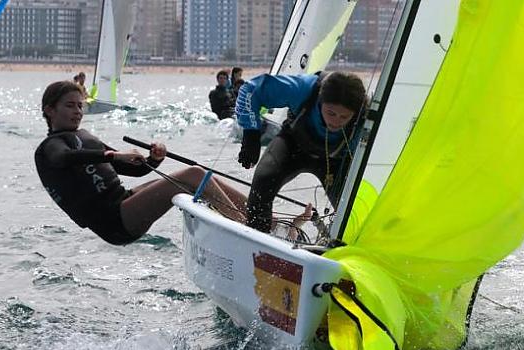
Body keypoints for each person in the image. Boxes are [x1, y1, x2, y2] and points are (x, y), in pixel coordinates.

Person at [35, 81, 247, 245]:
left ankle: (262, 217)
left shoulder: (83, 136)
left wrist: (153, 159)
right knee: (194, 175)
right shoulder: (50, 147)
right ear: (50, 110)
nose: (77, 111)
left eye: (80, 106)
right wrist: (113, 155)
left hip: (124, 201)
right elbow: (63, 158)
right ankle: (245, 228)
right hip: (113, 219)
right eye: (70, 106)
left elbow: (134, 170)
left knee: (201, 177)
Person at [235, 71, 367, 233]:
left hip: (336, 160)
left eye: (344, 117)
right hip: (293, 147)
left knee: (355, 213)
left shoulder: (367, 115)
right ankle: (257, 236)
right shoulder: (304, 88)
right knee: (263, 183)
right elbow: (249, 90)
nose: (335, 121)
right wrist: (251, 132)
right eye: (331, 113)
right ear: (320, 100)